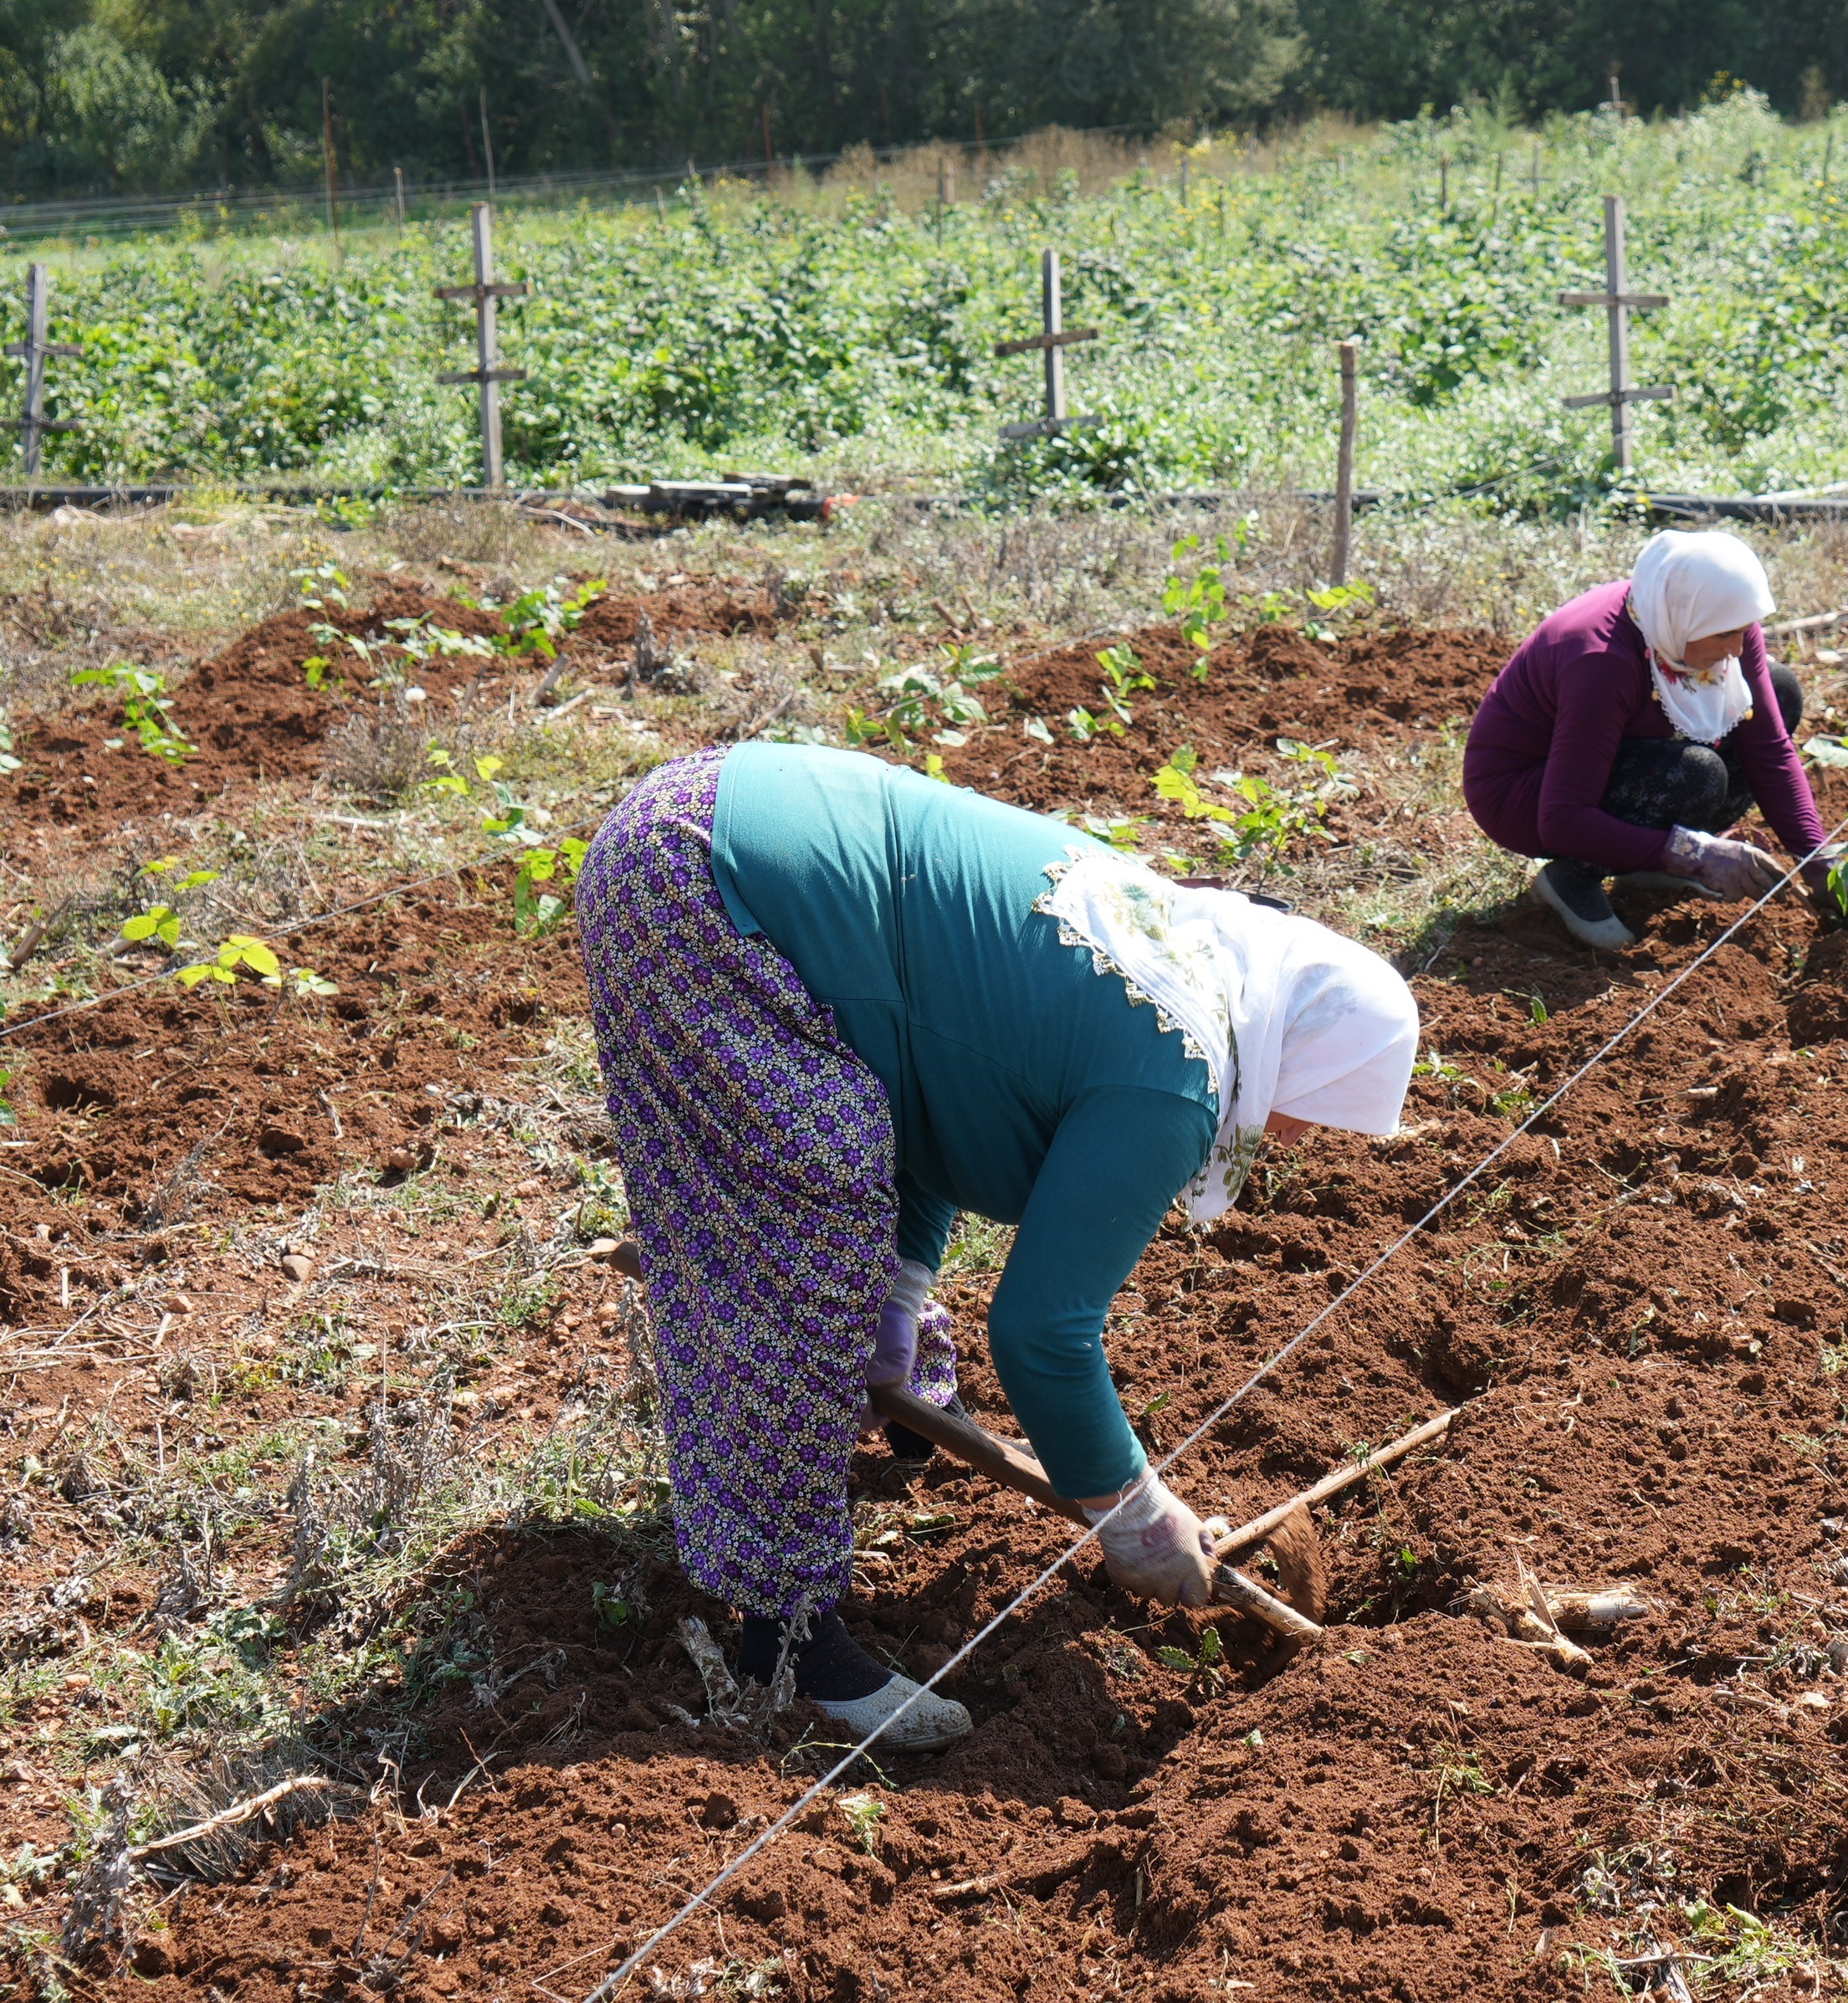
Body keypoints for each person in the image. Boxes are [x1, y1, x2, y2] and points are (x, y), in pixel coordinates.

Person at [576, 741, 1421, 1749]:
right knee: (789, 1241)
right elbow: (1042, 1334)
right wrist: (1135, 1515)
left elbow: (924, 1077)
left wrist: (893, 1294)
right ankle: (787, 1641)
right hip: (707, 889)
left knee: (831, 1216)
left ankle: (844, 1394)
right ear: (1310, 1057)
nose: (1298, 1138)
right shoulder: (1174, 1080)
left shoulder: (1180, 957)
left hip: (707, 824)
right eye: (1320, 1114)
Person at [1462, 529, 1829, 950]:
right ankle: (1574, 877)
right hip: (1527, 792)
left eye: (1743, 631)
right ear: (1683, 616)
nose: (1736, 648)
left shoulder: (1703, 620)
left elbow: (1768, 748)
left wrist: (1818, 861)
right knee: (1697, 775)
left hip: (1608, 757)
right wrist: (1698, 854)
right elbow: (1562, 817)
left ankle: (1644, 858)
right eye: (1724, 635)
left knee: (1778, 693)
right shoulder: (1601, 661)